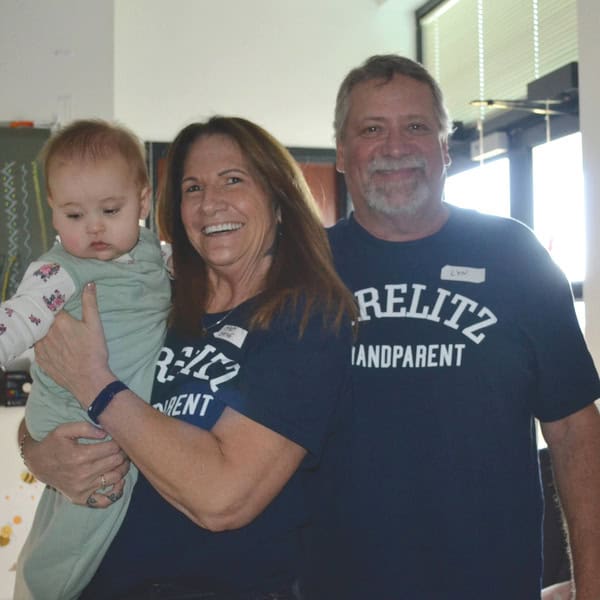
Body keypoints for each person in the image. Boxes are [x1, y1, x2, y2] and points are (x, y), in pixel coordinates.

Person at [25, 116, 356, 599]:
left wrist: (93, 383)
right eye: (192, 187)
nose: (209, 203)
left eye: (233, 180)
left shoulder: (306, 321)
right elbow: (58, 393)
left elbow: (222, 498)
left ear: (278, 197)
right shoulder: (158, 299)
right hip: (97, 582)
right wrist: (38, 455)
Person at [319, 54, 600, 599]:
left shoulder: (515, 255)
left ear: (445, 148)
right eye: (372, 129)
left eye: (416, 127)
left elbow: (575, 433)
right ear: (342, 153)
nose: (395, 147)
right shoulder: (301, 268)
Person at [2, 119, 172, 600]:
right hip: (76, 424)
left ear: (141, 202)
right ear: (53, 213)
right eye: (74, 215)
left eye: (110, 210)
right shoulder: (58, 273)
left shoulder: (157, 255)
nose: (94, 227)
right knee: (78, 532)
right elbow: (16, 319)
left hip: (121, 416)